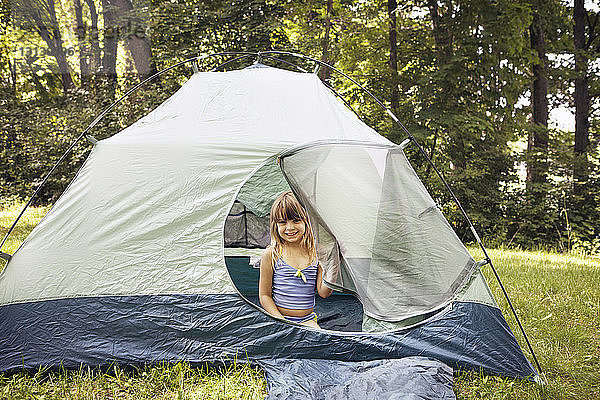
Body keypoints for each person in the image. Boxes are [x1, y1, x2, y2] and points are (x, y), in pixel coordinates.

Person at [259, 191, 332, 328]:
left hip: (307, 320)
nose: (290, 227)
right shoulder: (272, 254)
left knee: (318, 342)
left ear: (307, 220)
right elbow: (264, 296)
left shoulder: (316, 253)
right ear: (276, 225)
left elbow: (324, 292)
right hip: (279, 319)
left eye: (296, 220)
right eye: (282, 222)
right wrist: (281, 321)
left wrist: (333, 264)